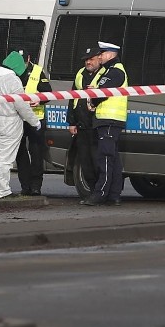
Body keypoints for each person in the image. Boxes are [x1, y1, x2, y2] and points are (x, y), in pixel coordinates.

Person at [0, 50, 42, 199]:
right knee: (6, 159)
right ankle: (3, 191)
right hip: (9, 122)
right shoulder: (13, 80)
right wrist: (34, 122)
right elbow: (21, 105)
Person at [81, 41, 128, 206]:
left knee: (105, 158)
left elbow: (102, 92)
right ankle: (114, 195)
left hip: (109, 119)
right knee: (113, 158)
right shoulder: (109, 71)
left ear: (111, 54)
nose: (99, 56)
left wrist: (92, 96)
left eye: (102, 53)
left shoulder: (115, 72)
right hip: (108, 119)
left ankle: (100, 193)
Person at [14, 51, 53, 196]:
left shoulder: (37, 71)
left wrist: (39, 100)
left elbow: (48, 92)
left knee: (36, 152)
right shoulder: (11, 72)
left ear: (29, 59)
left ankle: (36, 186)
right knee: (20, 153)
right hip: (18, 119)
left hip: (36, 118)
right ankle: (25, 186)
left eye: (23, 62)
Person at [68, 46, 103, 194]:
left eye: (91, 59)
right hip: (82, 124)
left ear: (99, 59)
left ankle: (100, 192)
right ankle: (91, 191)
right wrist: (71, 122)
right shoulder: (80, 74)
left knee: (97, 160)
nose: (88, 62)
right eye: (86, 60)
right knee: (85, 160)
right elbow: (73, 98)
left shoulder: (104, 74)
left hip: (96, 124)